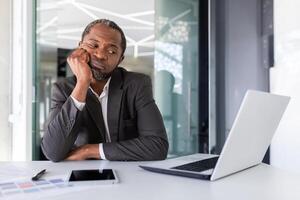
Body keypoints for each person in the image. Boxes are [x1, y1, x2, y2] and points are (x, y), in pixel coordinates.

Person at [41, 19, 168, 162]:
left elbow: (158, 146)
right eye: (93, 45)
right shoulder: (63, 89)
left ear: (120, 59)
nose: (101, 55)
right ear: (79, 47)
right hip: (84, 177)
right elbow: (52, 152)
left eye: (112, 51)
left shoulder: (137, 85)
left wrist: (88, 150)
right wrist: (82, 83)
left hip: (129, 175)